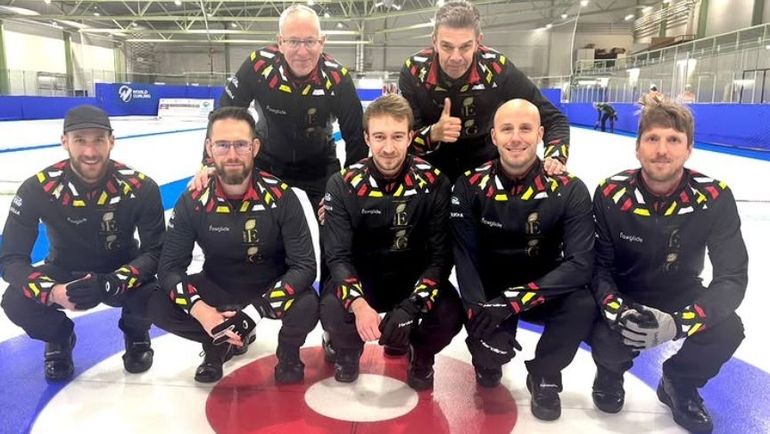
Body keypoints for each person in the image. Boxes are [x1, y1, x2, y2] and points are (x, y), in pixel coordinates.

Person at [590, 101, 747, 433]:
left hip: (681, 290)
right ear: (637, 147)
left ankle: (679, 381)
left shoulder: (714, 197)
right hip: (625, 289)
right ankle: (609, 373)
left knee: (728, 328)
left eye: (674, 140)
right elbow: (598, 268)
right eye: (652, 139)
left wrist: (678, 323)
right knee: (596, 324)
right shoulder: (610, 193)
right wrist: (618, 310)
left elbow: (732, 277)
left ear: (689, 149)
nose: (662, 150)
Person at [149, 107, 318, 384]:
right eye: (222, 145)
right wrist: (201, 311)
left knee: (308, 304)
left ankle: (288, 352)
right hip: (217, 285)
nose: (232, 154)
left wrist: (255, 311)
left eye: (241, 144)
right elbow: (169, 268)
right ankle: (217, 343)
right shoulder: (194, 200)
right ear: (209, 148)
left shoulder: (281, 196)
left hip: (268, 286)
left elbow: (305, 266)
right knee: (155, 301)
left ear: (255, 147)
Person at [451, 99, 596, 421]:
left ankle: (545, 373)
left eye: (525, 129)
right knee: (489, 360)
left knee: (582, 303)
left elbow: (581, 263)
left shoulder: (569, 189)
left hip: (544, 287)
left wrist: (515, 300)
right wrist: (477, 313)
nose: (516, 138)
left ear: (541, 134)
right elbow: (464, 256)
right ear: (494, 136)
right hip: (492, 293)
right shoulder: (469, 185)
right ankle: (486, 354)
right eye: (507, 129)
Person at [0, 105, 163, 380]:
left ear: (112, 141)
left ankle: (136, 334)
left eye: (98, 140)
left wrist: (112, 282)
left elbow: (156, 252)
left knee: (156, 291)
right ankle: (59, 337)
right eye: (80, 140)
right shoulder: (37, 188)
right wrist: (52, 291)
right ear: (65, 141)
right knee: (15, 300)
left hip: (119, 271)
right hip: (63, 270)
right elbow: (10, 259)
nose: (90, 151)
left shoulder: (140, 186)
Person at [320, 94, 463, 391]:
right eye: (379, 137)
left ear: (410, 137)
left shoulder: (435, 182)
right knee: (331, 307)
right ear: (366, 138)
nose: (388, 148)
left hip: (412, 279)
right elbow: (337, 256)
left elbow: (440, 257)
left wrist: (413, 306)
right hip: (363, 277)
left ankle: (421, 354)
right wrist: (358, 304)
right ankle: (348, 350)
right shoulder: (343, 183)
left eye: (397, 136)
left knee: (450, 313)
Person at [209, 4, 367, 215]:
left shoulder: (337, 78)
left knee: (332, 225)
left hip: (319, 169)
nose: (302, 51)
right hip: (267, 165)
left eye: (310, 41)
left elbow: (356, 137)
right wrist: (209, 163)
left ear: (322, 42)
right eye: (293, 41)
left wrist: (349, 185)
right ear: (280, 42)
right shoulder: (259, 66)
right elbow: (224, 115)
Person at [399, 0, 571, 182]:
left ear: (478, 42)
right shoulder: (414, 70)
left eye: (465, 46)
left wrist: (555, 157)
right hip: (431, 174)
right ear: (434, 42)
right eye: (447, 46)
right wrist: (433, 134)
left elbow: (553, 119)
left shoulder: (497, 67)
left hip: (485, 175)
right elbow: (402, 139)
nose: (455, 57)